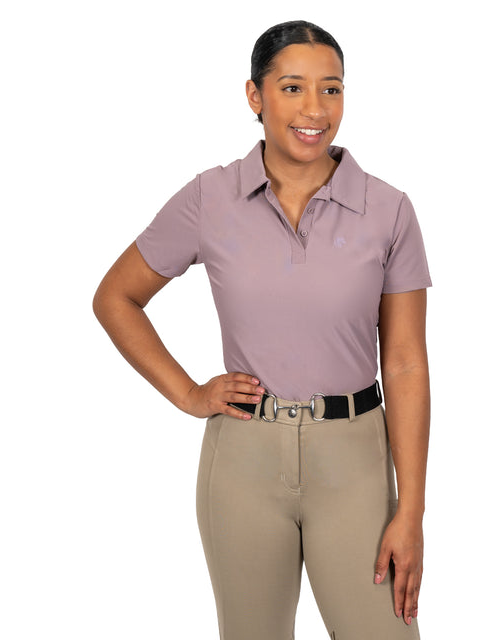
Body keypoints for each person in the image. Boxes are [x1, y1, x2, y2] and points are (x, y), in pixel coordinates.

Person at [93, 19, 432, 640]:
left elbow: (406, 362)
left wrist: (411, 510)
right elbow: (117, 297)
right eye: (293, 87)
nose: (314, 109)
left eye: (331, 89)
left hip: (355, 458)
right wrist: (189, 393)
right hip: (243, 458)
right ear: (255, 95)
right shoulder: (210, 198)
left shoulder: (388, 210)